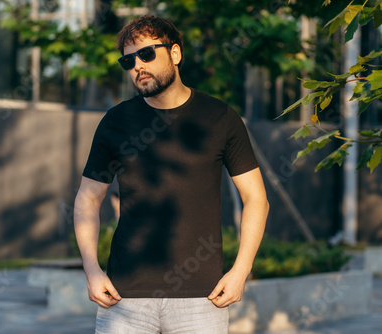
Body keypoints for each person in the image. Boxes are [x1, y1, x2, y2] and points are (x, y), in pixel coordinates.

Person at [73, 16, 269, 334]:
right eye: (129, 59)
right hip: (125, 298)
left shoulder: (220, 117)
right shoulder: (116, 121)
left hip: (202, 299)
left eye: (147, 54)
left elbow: (256, 198)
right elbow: (88, 198)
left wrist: (240, 271)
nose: (138, 65)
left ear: (175, 54)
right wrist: (91, 270)